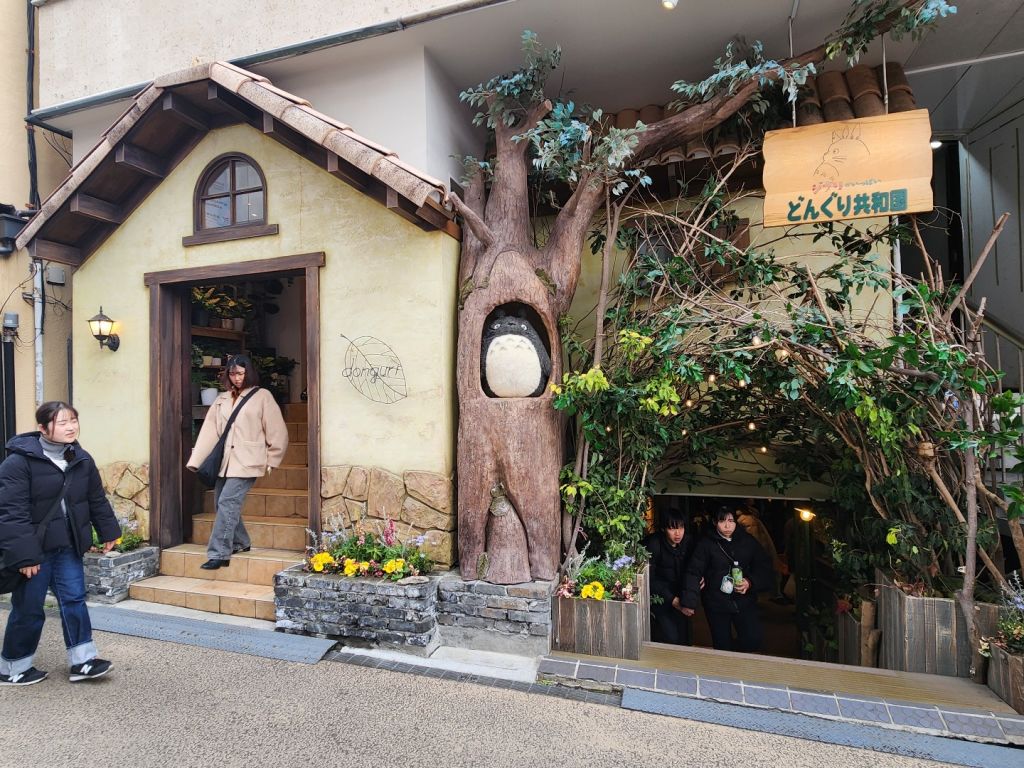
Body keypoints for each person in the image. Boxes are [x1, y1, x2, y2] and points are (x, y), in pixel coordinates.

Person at [0, 401, 122, 686]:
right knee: (29, 608)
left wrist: (108, 531)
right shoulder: (18, 462)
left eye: (73, 420)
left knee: (74, 600)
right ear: (43, 428)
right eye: (62, 422)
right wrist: (25, 556)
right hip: (35, 550)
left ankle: (83, 661)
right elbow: (11, 513)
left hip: (67, 545)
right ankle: (13, 667)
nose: (71, 427)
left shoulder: (80, 458)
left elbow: (95, 499)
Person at [187, 354, 288, 570]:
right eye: (233, 374)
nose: (237, 378)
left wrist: (273, 457)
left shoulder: (263, 396)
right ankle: (241, 541)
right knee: (221, 503)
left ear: (248, 373)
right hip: (225, 461)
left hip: (249, 460)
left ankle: (219, 553)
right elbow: (210, 432)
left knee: (227, 502)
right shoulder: (222, 399)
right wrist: (197, 460)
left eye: (241, 373)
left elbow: (276, 429)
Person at [682, 505, 773, 653]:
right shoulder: (706, 544)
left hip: (744, 600)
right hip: (716, 601)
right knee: (722, 644)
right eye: (722, 521)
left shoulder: (747, 541)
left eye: (731, 521)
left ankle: (735, 655)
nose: (727, 526)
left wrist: (749, 582)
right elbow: (693, 571)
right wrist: (689, 602)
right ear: (714, 522)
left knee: (753, 639)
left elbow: (764, 566)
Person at [642, 509, 694, 645]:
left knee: (684, 637)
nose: (678, 533)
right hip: (659, 597)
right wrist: (671, 599)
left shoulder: (688, 542)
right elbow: (649, 579)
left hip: (681, 594)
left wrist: (699, 577)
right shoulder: (653, 544)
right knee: (670, 637)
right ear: (664, 529)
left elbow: (695, 567)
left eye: (681, 527)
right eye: (672, 528)